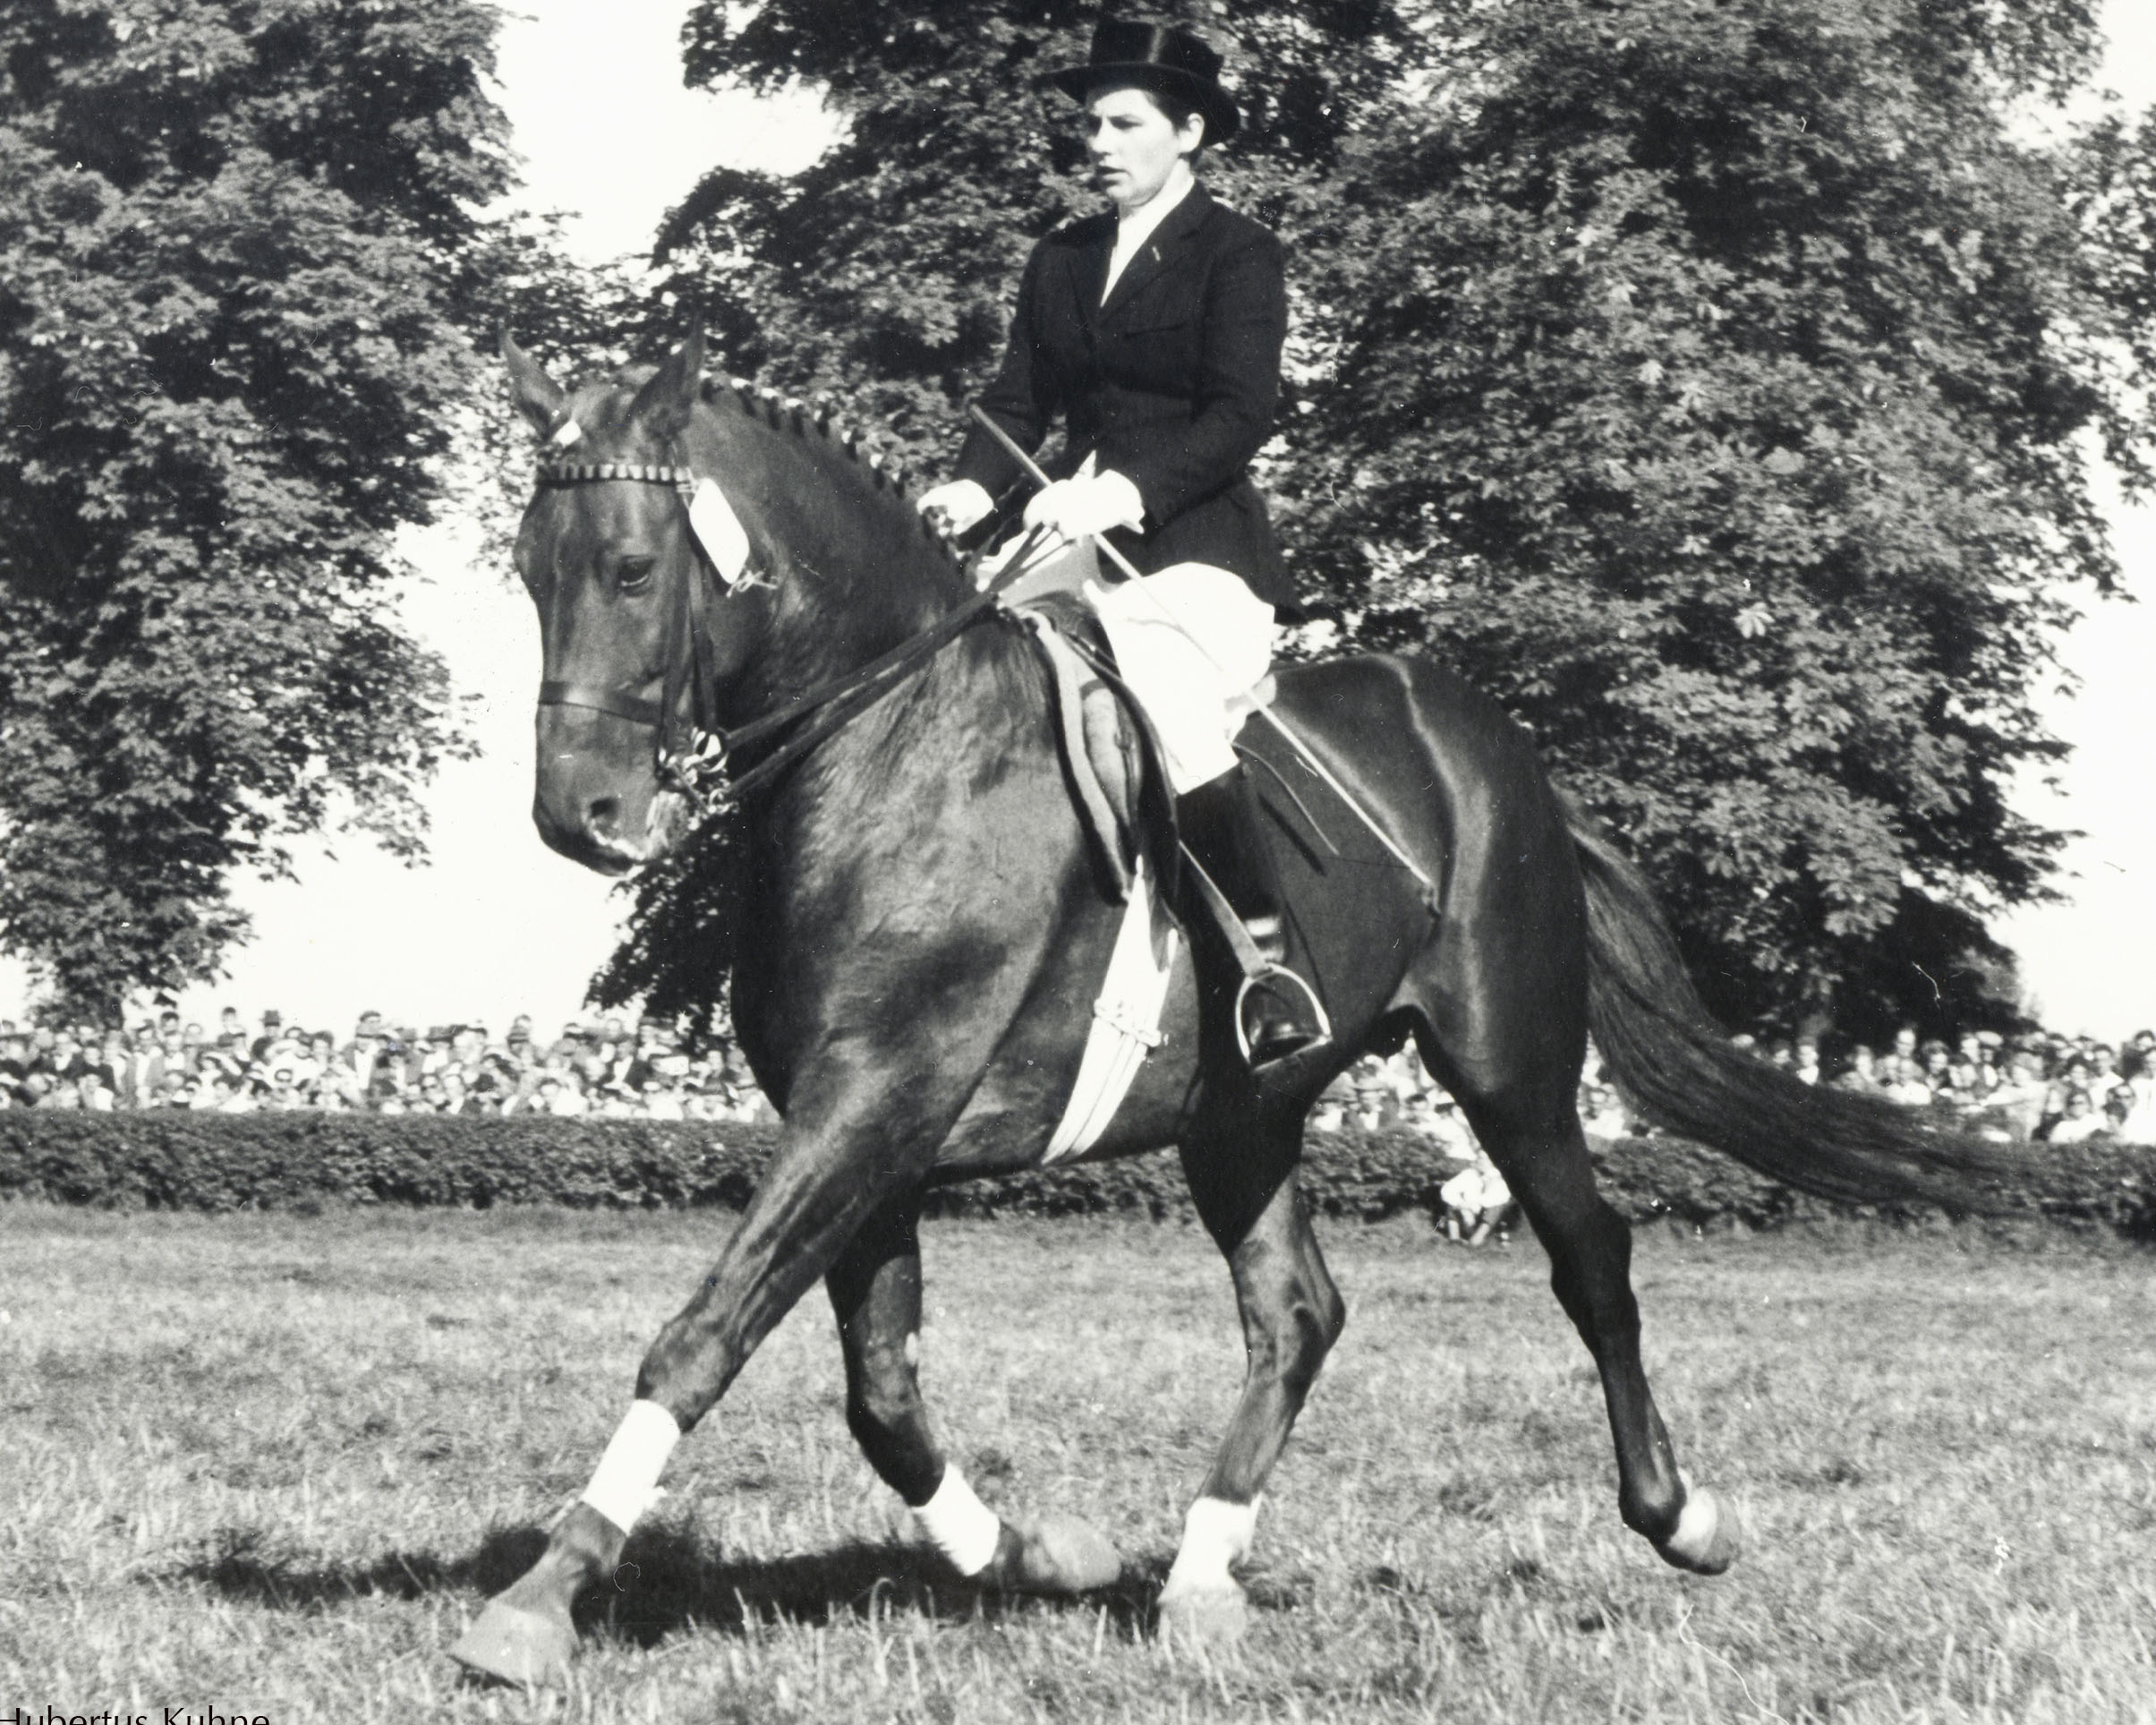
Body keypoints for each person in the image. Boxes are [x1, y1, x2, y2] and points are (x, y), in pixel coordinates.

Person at [915, 14, 1323, 1070]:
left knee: (1171, 702)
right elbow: (1020, 398)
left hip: (1195, 546)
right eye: (1090, 122)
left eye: (1122, 122)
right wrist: (970, 485)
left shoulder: (1238, 253)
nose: (1097, 140)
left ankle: (1268, 964)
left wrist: (1123, 493)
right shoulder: (1061, 256)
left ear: (1186, 132)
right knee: (957, 660)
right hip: (1068, 535)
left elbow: (1240, 419)